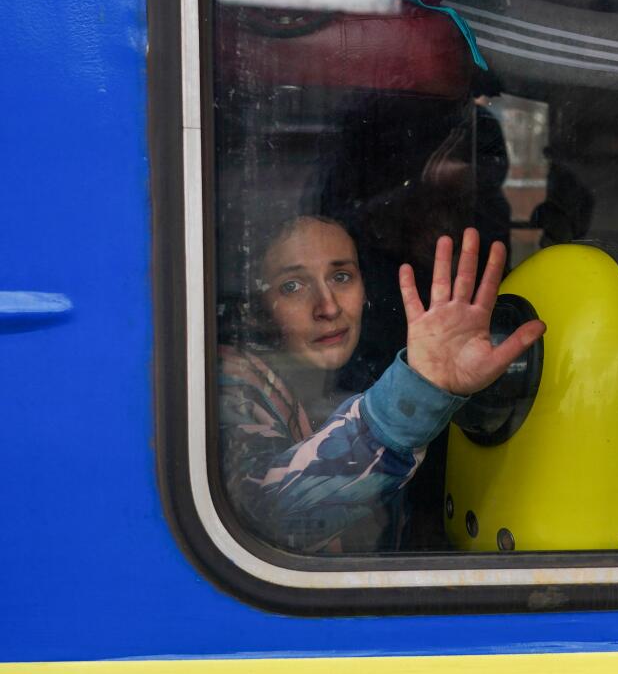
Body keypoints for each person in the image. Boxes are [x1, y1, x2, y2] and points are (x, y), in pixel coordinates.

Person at [218, 217, 545, 553]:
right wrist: (418, 393)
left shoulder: (357, 376)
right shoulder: (227, 381)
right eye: (292, 286)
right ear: (256, 306)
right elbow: (262, 521)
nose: (328, 307)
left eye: (341, 277)